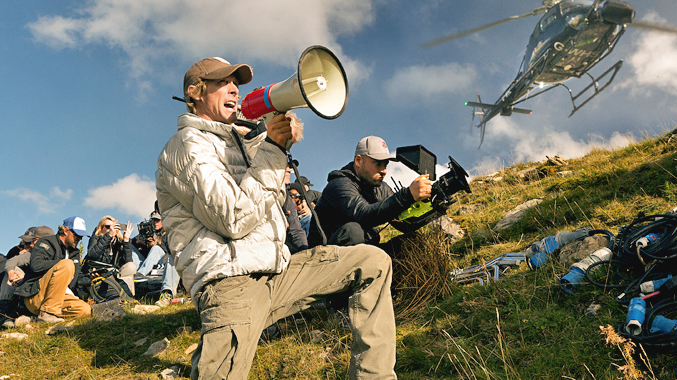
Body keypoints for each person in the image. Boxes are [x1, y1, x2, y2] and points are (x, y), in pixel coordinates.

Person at [155, 57, 397, 379]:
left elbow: (266, 187)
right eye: (222, 83)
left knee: (372, 262)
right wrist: (271, 148)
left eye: (236, 85)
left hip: (275, 273)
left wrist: (270, 135)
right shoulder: (185, 146)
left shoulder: (241, 140)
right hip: (230, 284)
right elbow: (233, 217)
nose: (233, 89)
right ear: (194, 92)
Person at [308, 135, 432, 248]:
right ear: (358, 160)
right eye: (378, 163)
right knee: (354, 231)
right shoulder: (339, 185)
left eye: (385, 164)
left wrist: (433, 204)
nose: (384, 170)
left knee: (413, 242)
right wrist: (407, 195)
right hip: (325, 258)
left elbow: (402, 221)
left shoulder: (381, 188)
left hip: (365, 251)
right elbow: (364, 215)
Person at [14, 217, 91, 323]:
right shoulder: (46, 242)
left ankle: (36, 318)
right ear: (65, 230)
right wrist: (62, 264)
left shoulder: (75, 253)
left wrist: (90, 279)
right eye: (77, 234)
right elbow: (36, 265)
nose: (80, 239)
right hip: (35, 295)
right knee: (67, 264)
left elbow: (77, 278)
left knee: (85, 310)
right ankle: (47, 313)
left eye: (81, 236)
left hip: (59, 298)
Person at [83, 216, 137, 301]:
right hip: (98, 272)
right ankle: (120, 299)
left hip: (114, 273)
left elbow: (127, 261)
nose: (111, 229)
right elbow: (92, 254)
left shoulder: (118, 242)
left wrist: (126, 240)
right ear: (101, 229)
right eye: (108, 227)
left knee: (131, 266)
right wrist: (108, 236)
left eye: (114, 227)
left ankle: (129, 298)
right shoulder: (96, 238)